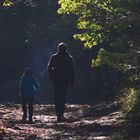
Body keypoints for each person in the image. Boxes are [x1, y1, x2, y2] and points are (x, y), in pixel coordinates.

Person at [48, 42, 75, 122]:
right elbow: (72, 71)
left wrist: (51, 76)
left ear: (58, 49)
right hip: (65, 80)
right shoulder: (69, 58)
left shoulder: (54, 57)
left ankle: (58, 113)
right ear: (66, 49)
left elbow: (49, 67)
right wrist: (72, 81)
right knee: (62, 96)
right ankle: (61, 114)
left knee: (57, 96)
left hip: (57, 79)